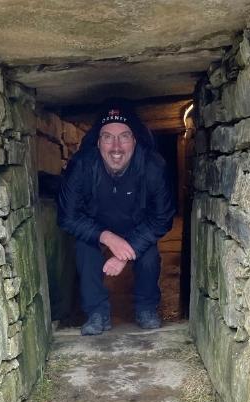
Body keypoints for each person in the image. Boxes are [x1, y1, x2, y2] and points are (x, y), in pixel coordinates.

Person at [57, 102, 175, 335]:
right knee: (84, 248)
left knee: (149, 255)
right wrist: (108, 238)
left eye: (124, 136)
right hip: (97, 228)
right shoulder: (82, 165)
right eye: (108, 137)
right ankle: (97, 312)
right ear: (98, 142)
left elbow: (162, 218)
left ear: (135, 140)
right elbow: (67, 216)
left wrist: (125, 250)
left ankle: (146, 308)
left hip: (137, 227)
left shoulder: (152, 166)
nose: (116, 147)